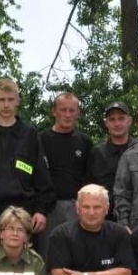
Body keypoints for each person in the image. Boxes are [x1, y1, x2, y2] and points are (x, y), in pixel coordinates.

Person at [0, 79, 54, 252]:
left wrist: (41, 211)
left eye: (10, 99)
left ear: (17, 100)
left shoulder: (30, 136)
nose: (6, 105)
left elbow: (42, 178)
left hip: (24, 212)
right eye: (1, 100)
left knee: (25, 268)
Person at [38, 92, 93, 255]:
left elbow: (89, 177)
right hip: (49, 209)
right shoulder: (40, 139)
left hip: (77, 207)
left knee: (78, 254)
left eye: (72, 110)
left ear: (78, 113)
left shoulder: (85, 142)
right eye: (63, 110)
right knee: (49, 254)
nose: (67, 115)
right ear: (54, 111)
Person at [86, 102, 135, 217]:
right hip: (104, 217)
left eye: (121, 118)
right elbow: (89, 186)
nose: (117, 123)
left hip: (135, 216)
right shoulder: (97, 153)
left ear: (129, 121)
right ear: (106, 123)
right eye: (112, 119)